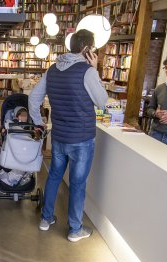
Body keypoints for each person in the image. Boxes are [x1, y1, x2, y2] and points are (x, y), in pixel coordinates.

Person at [28, 29, 108, 242]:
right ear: (86, 49)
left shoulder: (52, 70)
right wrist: (95, 69)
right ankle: (75, 229)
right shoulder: (88, 71)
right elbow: (102, 101)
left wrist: (39, 121)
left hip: (60, 136)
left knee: (54, 176)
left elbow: (33, 98)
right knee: (78, 184)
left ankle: (46, 219)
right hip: (81, 138)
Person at [147, 55, 167, 151]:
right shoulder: (159, 88)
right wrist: (155, 113)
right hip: (155, 134)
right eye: (166, 67)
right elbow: (149, 109)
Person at [0, 106, 35, 186]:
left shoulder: (29, 128)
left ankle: (15, 178)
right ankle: (13, 178)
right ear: (16, 116)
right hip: (12, 149)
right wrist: (4, 130)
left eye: (25, 115)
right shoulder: (10, 123)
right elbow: (4, 129)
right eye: (21, 115)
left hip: (24, 150)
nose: (24, 117)